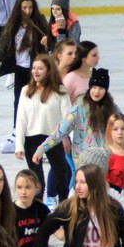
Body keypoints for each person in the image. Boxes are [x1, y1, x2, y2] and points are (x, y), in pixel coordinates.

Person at [0, 0, 50, 154]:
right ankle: (17, 132)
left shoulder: (39, 22)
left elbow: (50, 40)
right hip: (19, 69)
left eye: (30, 7)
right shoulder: (13, 24)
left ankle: (38, 134)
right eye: (24, 7)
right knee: (19, 101)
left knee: (37, 101)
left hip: (35, 70)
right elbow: (3, 42)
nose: (28, 10)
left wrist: (47, 41)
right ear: (19, 8)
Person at [33, 68, 122, 167]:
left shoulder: (112, 108)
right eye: (94, 87)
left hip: (105, 160)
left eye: (101, 88)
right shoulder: (79, 108)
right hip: (84, 161)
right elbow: (61, 132)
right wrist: (41, 149)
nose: (97, 91)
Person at [15, 54, 71, 203]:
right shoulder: (26, 90)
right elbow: (21, 119)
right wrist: (18, 145)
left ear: (49, 70)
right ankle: (38, 212)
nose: (36, 71)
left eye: (40, 68)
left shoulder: (60, 91)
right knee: (37, 181)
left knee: (61, 176)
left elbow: (68, 119)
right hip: (31, 139)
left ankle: (63, 207)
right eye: (33, 68)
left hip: (53, 139)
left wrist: (65, 138)